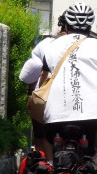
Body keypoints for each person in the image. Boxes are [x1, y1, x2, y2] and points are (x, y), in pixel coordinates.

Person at [39, 2, 97, 161]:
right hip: (90, 112)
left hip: (57, 112)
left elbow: (43, 78)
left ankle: (50, 165)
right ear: (89, 27)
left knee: (45, 137)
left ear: (66, 25)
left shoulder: (52, 47)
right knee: (91, 155)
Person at [19, 18, 66, 154]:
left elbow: (34, 68)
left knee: (40, 136)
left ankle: (42, 159)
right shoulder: (83, 45)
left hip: (45, 94)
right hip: (74, 99)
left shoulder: (46, 44)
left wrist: (32, 92)